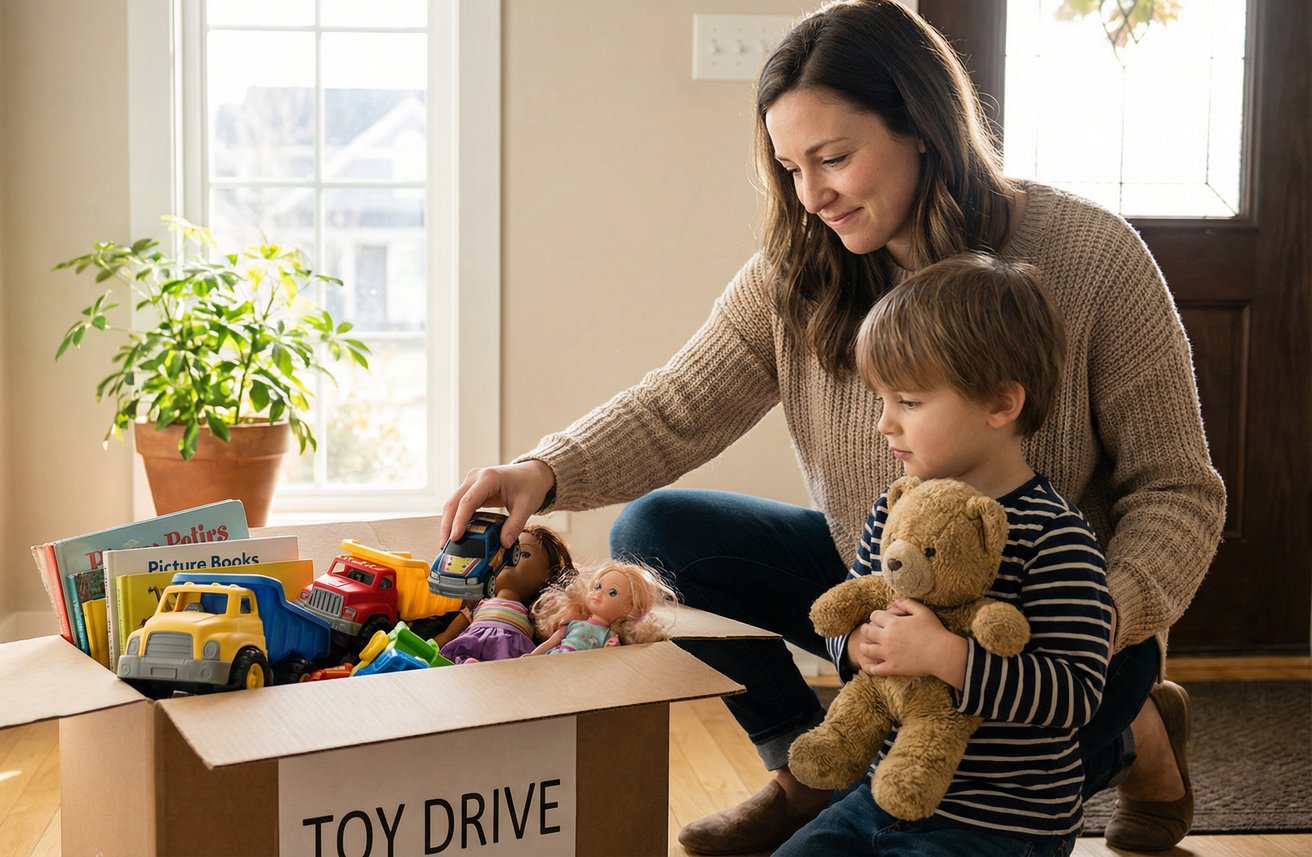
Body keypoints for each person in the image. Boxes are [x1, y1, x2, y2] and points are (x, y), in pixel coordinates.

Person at [439, 0, 1224, 852]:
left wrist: (1096, 618)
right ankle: (808, 774)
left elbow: (1177, 489)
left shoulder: (1095, 258)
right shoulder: (798, 269)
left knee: (1007, 747)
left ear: (922, 126)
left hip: (1049, 615)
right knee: (657, 533)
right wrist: (540, 470)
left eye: (834, 158)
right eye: (788, 167)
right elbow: (674, 407)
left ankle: (1140, 733)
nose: (810, 195)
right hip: (890, 573)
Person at [776, 252, 1112, 856]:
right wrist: (857, 645)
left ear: (1000, 404)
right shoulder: (896, 508)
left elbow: (1075, 694)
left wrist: (947, 656)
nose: (885, 424)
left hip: (1004, 823)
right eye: (882, 399)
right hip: (877, 796)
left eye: (908, 401)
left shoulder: (1055, 536)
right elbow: (852, 614)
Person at [436, 522, 574, 662]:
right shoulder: (477, 607)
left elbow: (552, 641)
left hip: (510, 661)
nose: (509, 559)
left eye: (524, 554)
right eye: (503, 552)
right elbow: (447, 636)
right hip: (470, 650)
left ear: (549, 574)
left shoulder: (536, 613)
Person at [527, 559, 678, 654]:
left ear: (629, 607)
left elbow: (611, 660)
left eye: (612, 592)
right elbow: (549, 644)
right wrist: (532, 656)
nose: (598, 593)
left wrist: (614, 648)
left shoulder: (610, 635)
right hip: (556, 660)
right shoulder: (572, 624)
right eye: (598, 586)